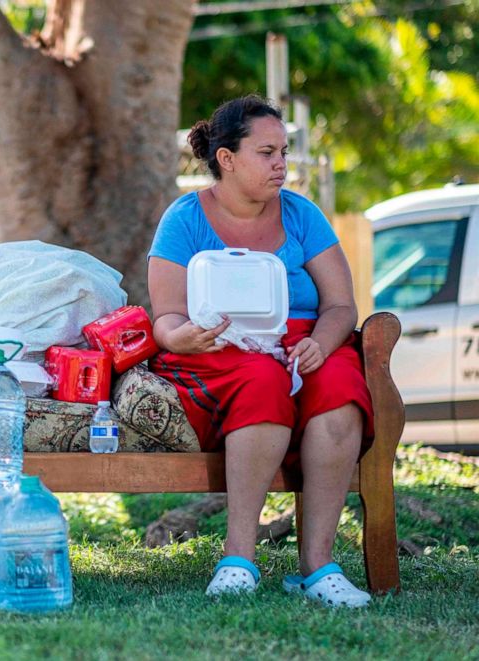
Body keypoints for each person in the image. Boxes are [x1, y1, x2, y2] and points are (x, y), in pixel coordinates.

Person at [146, 95, 374, 608]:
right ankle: (238, 558)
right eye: (268, 152)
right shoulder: (183, 220)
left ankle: (318, 566)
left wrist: (321, 342)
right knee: (262, 382)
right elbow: (167, 319)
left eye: (285, 153)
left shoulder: (302, 214)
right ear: (227, 159)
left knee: (339, 388)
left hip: (308, 342)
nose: (281, 165)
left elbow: (341, 304)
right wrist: (181, 336)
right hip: (222, 348)